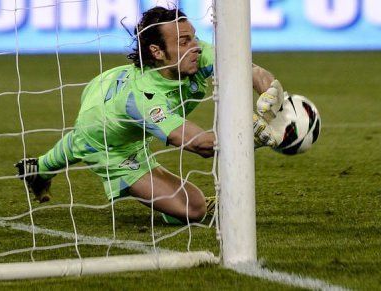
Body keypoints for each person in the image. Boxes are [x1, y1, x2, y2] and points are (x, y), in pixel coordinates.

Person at [15, 6, 278, 224]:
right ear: (157, 52)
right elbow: (197, 144)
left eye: (194, 37)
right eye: (184, 42)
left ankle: (37, 169)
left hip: (108, 90)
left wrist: (271, 98)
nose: (196, 47)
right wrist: (247, 135)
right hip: (108, 141)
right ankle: (43, 168)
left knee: (89, 136)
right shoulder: (145, 98)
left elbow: (251, 70)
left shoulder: (194, 53)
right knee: (194, 209)